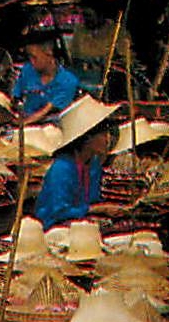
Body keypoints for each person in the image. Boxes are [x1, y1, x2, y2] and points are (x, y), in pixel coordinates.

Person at [33, 96, 121, 229]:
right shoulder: (62, 168)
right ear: (87, 138)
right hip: (54, 230)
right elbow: (58, 212)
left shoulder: (93, 164)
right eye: (102, 135)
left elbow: (93, 199)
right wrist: (94, 210)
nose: (107, 139)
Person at [11, 27, 82, 126]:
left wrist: (23, 123)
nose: (31, 61)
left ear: (49, 53)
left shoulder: (68, 81)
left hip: (50, 127)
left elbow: (46, 111)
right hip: (23, 120)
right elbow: (15, 97)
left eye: (34, 57)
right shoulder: (27, 70)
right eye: (29, 57)